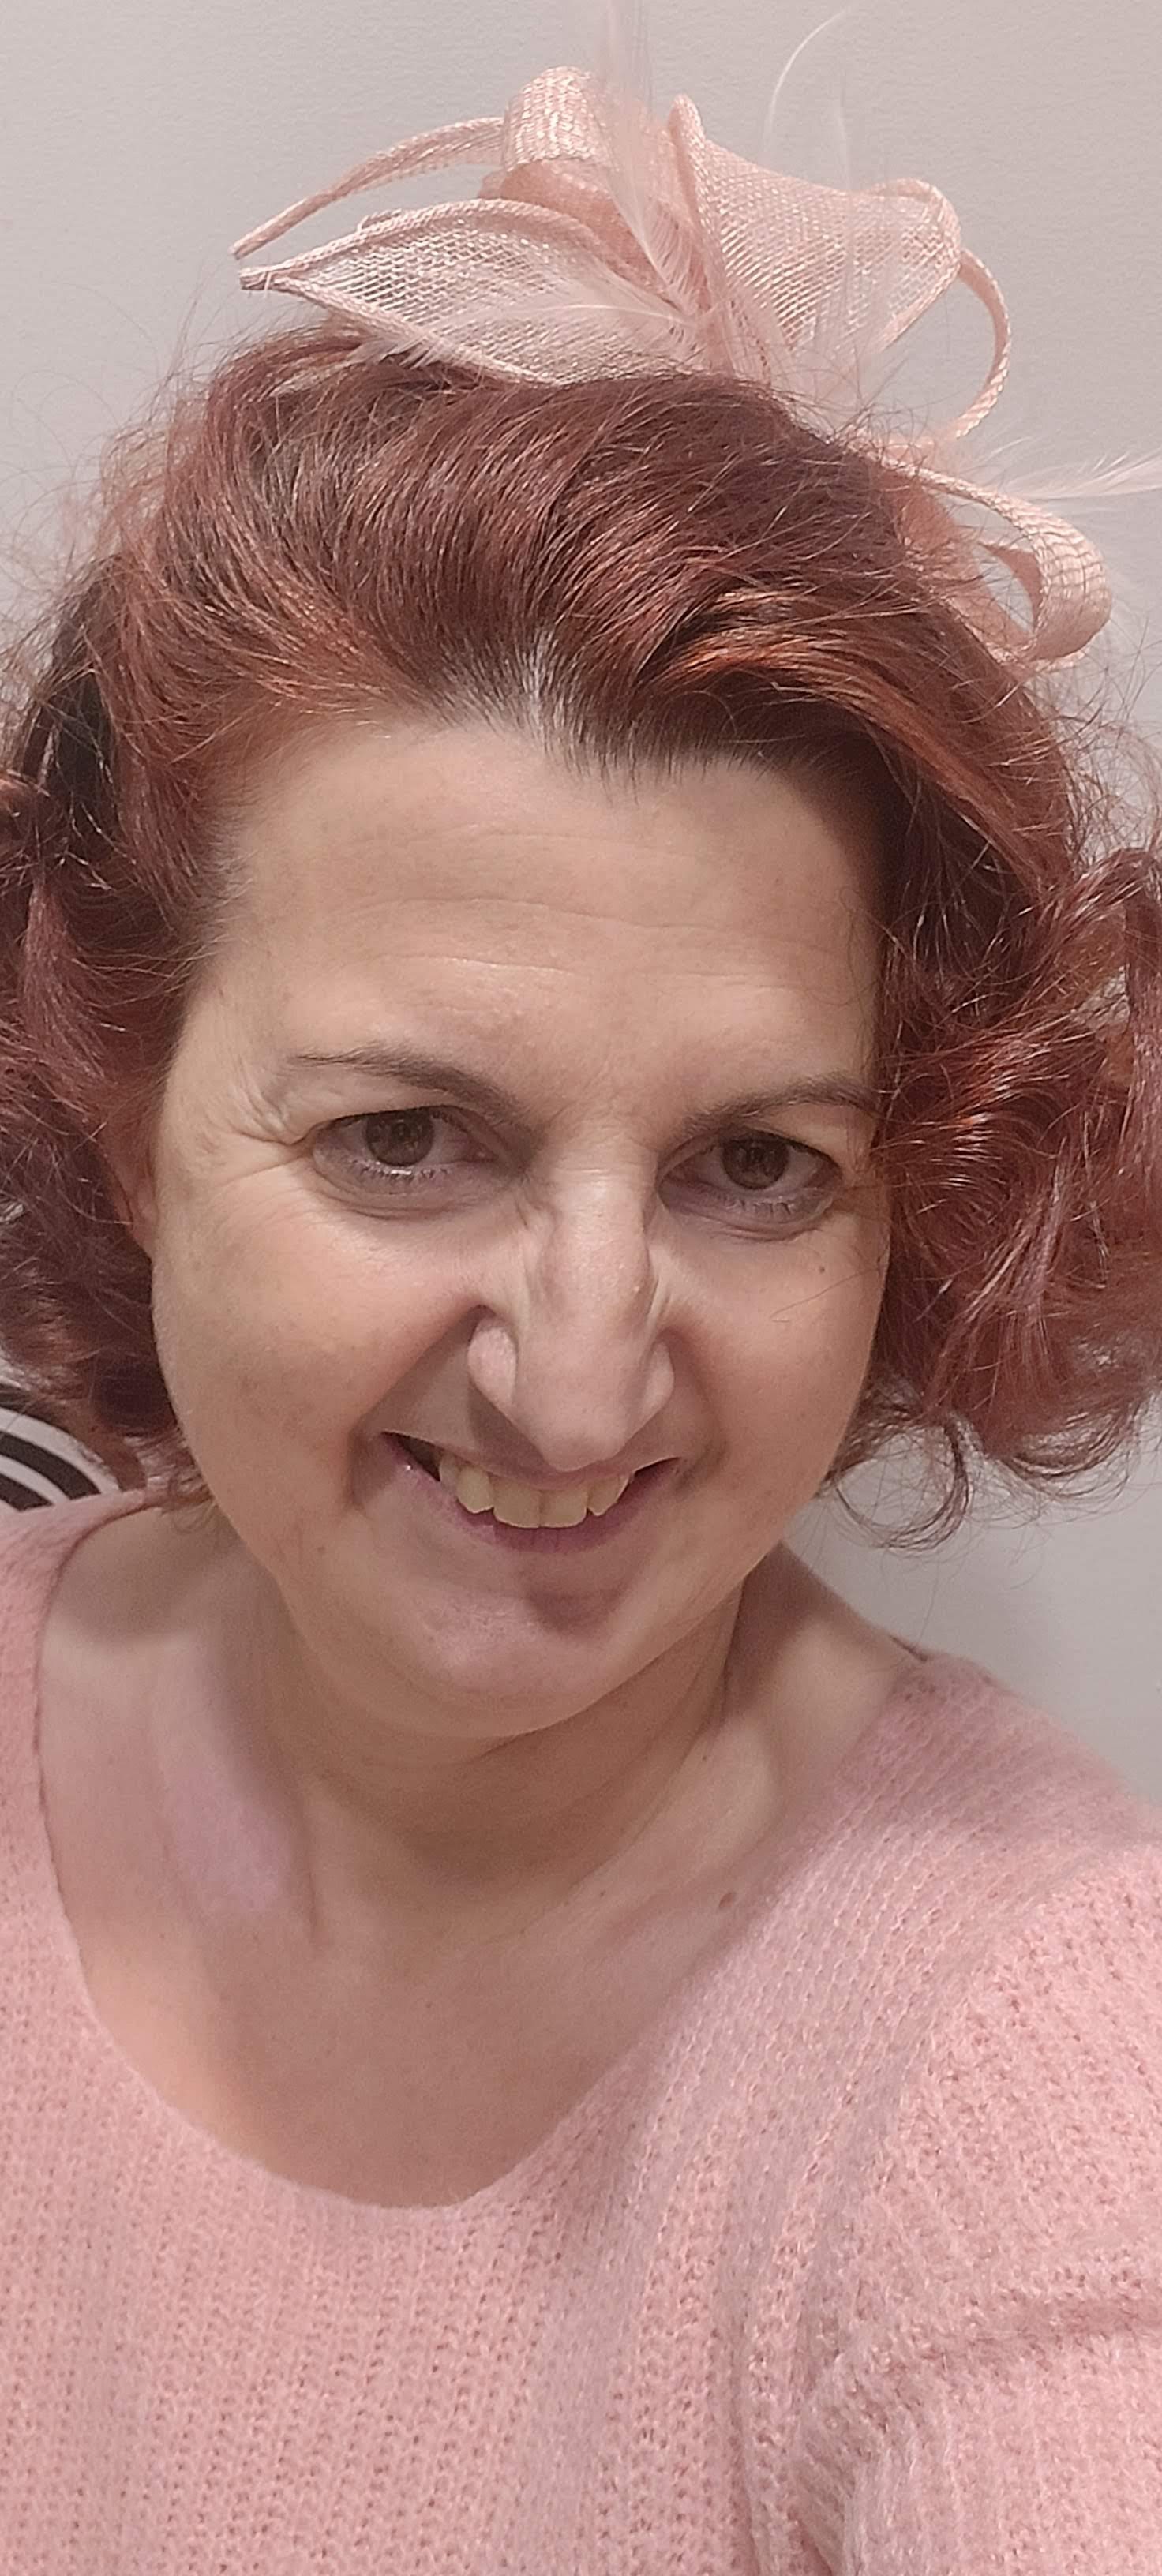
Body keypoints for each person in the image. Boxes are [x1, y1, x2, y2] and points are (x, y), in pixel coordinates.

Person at [0, 51, 1160, 2575]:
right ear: (118, 1103)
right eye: (407, 1137)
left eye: (758, 1165)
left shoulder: (1039, 2053)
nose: (581, 1365)